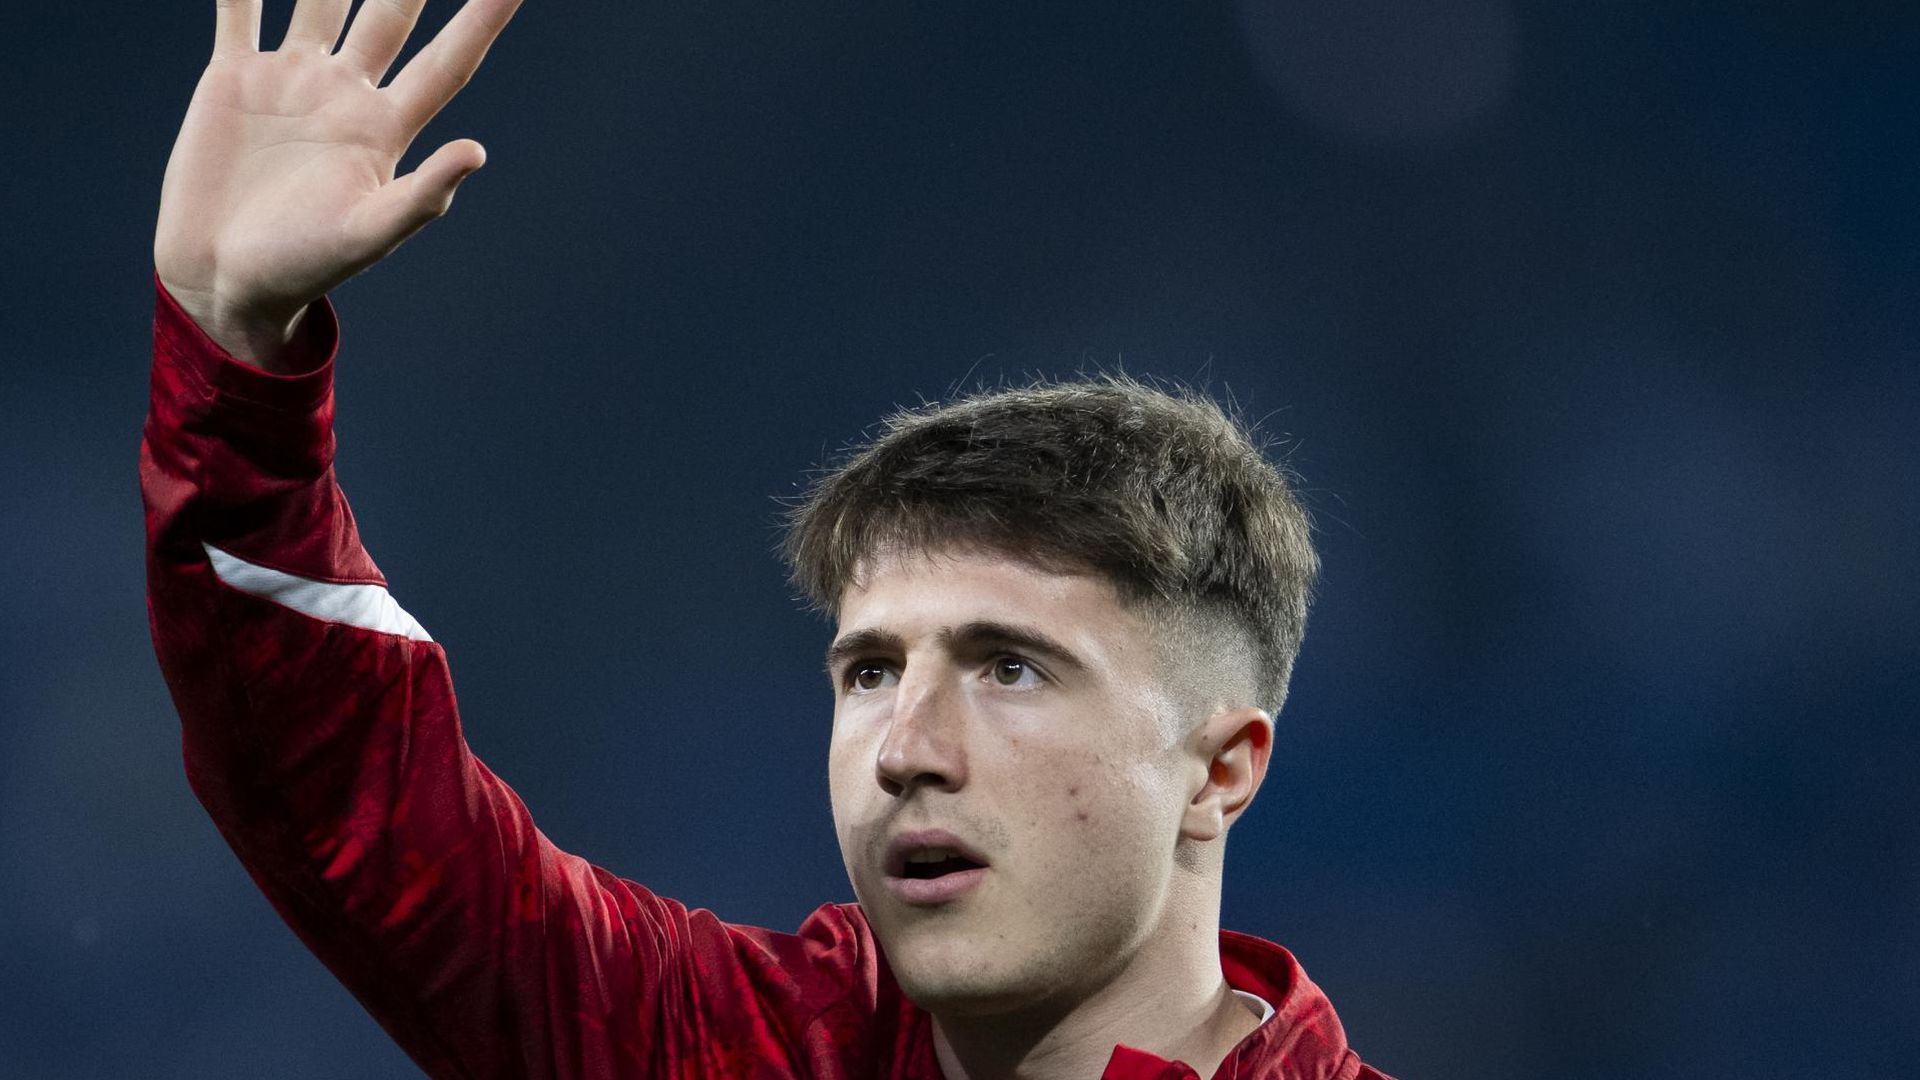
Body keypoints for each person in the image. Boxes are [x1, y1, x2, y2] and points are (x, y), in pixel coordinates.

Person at [142, 2, 1397, 1077]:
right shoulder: (740, 1047)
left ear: (1221, 769)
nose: (906, 752)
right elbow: (355, 811)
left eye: (1010, 666)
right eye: (870, 671)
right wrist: (237, 362)